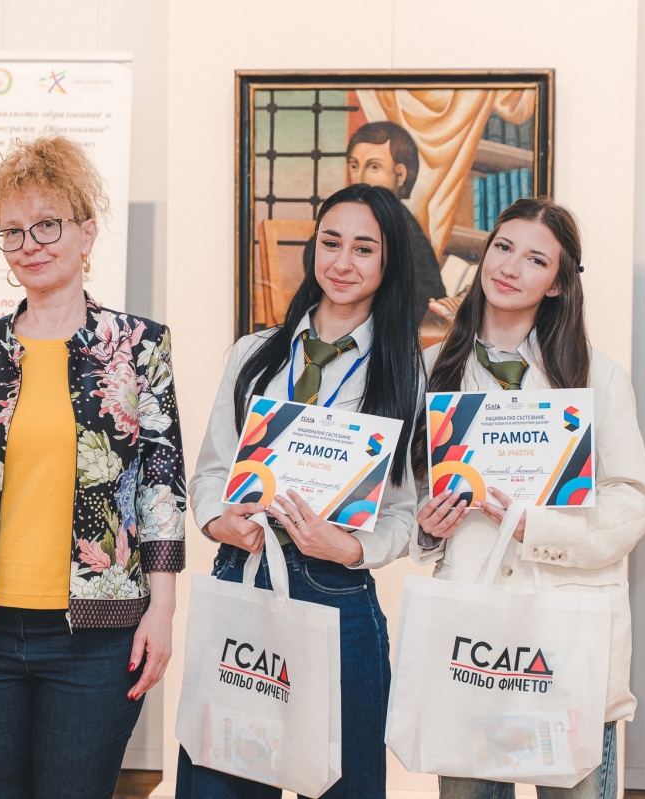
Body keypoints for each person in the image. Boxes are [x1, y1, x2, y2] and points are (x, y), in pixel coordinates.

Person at [0, 136, 187, 799]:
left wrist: (163, 609)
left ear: (87, 231)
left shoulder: (138, 346)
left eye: (47, 224)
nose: (30, 244)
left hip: (99, 634)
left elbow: (161, 485)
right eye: (13, 231)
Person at [180, 183, 424, 798]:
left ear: (389, 261)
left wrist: (351, 549)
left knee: (343, 784)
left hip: (336, 594)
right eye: (330, 242)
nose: (342, 262)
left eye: (363, 249)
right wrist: (218, 523)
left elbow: (405, 511)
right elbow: (210, 472)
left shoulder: (406, 372)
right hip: (244, 574)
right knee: (222, 780)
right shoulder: (254, 354)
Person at [411, 198, 645, 799]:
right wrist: (427, 525)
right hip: (471, 635)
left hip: (567, 637)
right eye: (502, 247)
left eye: (535, 259)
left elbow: (633, 500)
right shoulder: (431, 370)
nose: (510, 267)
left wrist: (535, 528)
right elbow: (406, 498)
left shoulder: (597, 375)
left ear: (557, 284)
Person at [304, 121, 446, 322]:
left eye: (373, 167)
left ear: (400, 175)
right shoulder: (334, 225)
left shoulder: (407, 229)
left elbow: (427, 295)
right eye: (354, 166)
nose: (360, 177)